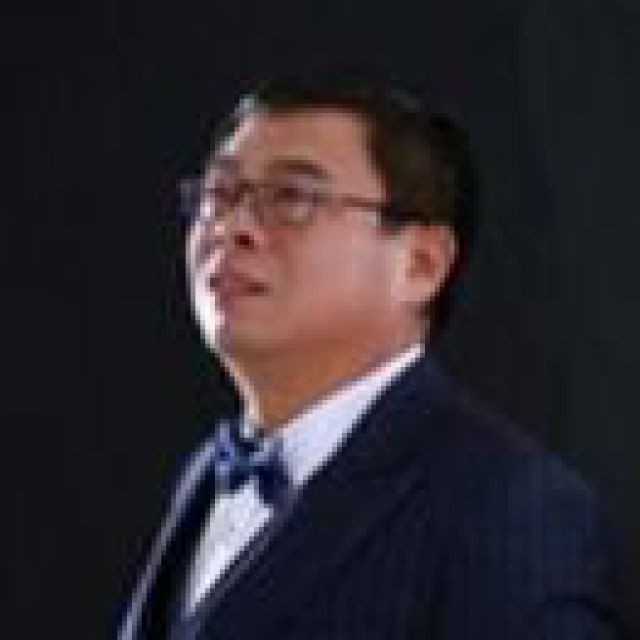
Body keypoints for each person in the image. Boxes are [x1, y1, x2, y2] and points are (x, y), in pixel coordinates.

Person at [118, 76, 619, 639]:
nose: (232, 229)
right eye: (219, 194)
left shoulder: (512, 508)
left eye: (292, 198)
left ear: (421, 264)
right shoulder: (205, 473)